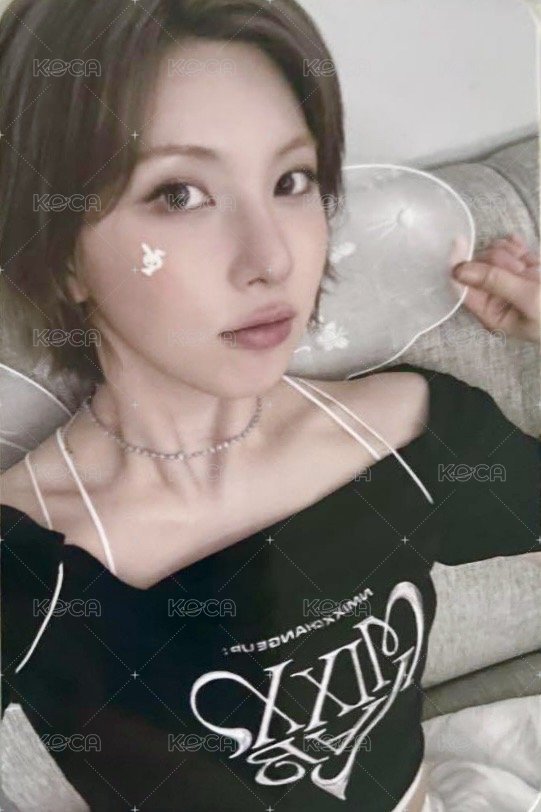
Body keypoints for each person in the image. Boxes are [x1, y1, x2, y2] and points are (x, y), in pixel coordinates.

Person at [0, 1, 539, 810]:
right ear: (62, 255)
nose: (271, 257)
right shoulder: (26, 567)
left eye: (291, 181)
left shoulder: (409, 437)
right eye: (179, 194)